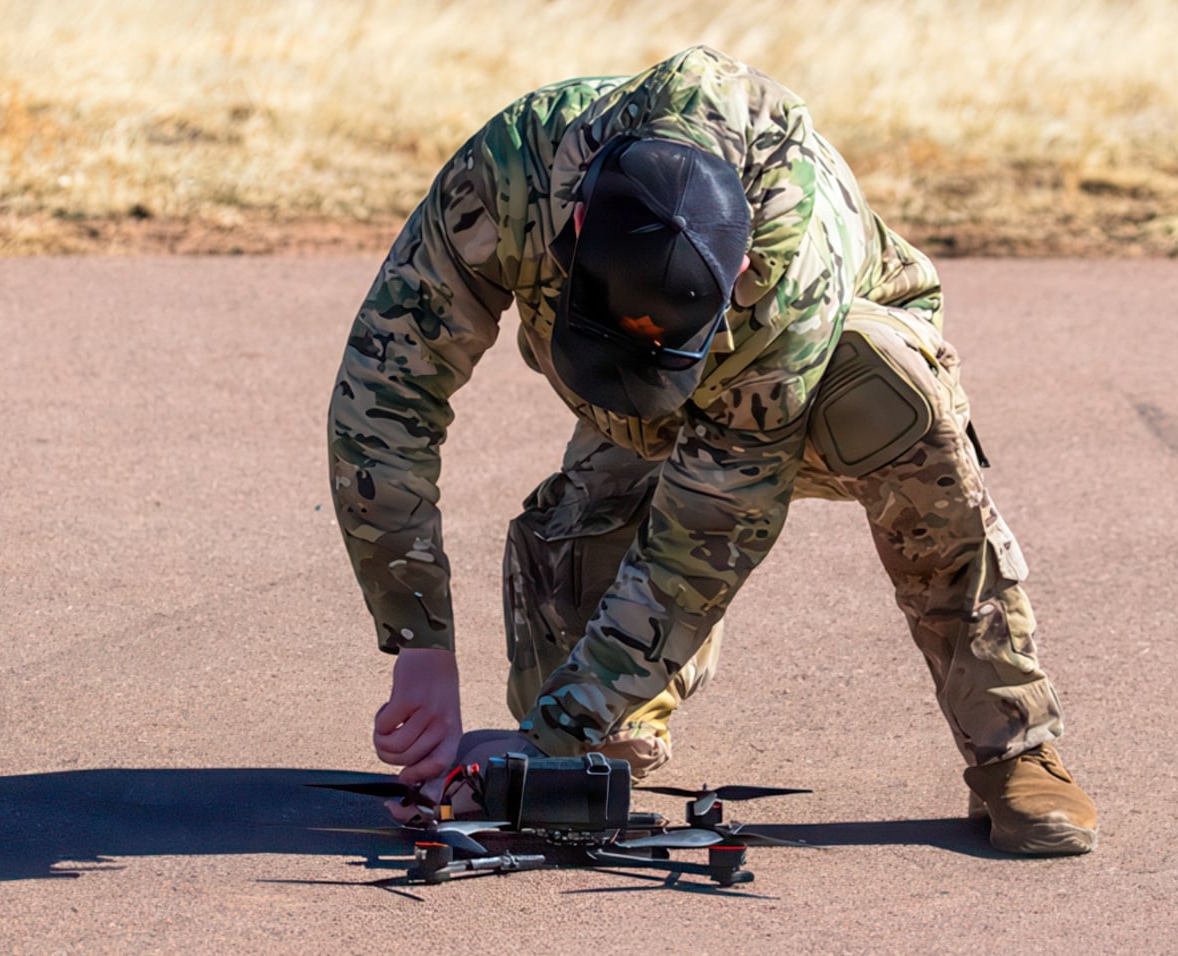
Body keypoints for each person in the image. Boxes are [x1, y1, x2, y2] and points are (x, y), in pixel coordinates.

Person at [326, 46, 1098, 855]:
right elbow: (384, 396)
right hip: (634, 410)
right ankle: (616, 721)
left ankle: (1014, 744)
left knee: (890, 400)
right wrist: (420, 643)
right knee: (589, 751)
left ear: (733, 276)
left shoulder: (790, 270)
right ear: (579, 223)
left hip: (813, 381)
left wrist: (549, 734)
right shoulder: (512, 171)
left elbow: (706, 534)